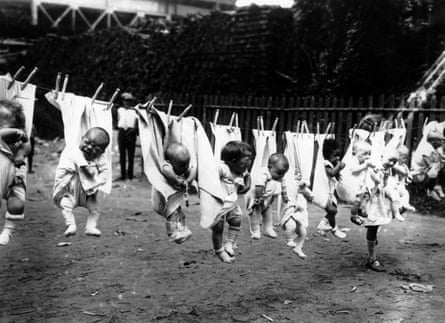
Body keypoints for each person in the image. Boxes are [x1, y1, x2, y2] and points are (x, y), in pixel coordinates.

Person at [53, 127, 110, 237]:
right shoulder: (75, 152)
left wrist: (98, 181)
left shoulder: (101, 159)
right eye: (87, 142)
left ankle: (91, 227)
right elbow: (83, 167)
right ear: (82, 138)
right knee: (65, 205)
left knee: (95, 209)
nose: (89, 147)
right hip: (70, 190)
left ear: (102, 152)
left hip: (88, 193)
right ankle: (71, 225)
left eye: (95, 148)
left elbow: (105, 173)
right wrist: (91, 171)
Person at [212, 141, 252, 263]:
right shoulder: (222, 168)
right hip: (218, 204)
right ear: (232, 161)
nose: (248, 164)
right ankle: (219, 251)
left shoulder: (242, 171)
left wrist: (246, 186)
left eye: (250, 159)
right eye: (245, 161)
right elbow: (209, 178)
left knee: (237, 220)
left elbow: (247, 179)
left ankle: (230, 244)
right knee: (218, 227)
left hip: (232, 204)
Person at [0, 99, 29, 245]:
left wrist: (20, 153)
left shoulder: (18, 139)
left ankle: (8, 230)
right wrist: (17, 132)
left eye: (4, 123)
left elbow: (27, 145)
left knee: (17, 206)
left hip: (15, 179)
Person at [159, 142, 196, 243]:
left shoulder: (185, 167)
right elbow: (165, 168)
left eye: (186, 163)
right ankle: (172, 233)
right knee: (172, 213)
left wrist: (188, 180)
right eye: (181, 165)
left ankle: (182, 229)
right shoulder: (167, 166)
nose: (185, 167)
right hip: (167, 195)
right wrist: (176, 180)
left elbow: (193, 169)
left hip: (177, 196)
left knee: (181, 214)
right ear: (170, 162)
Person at [248, 153, 289, 239]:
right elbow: (259, 187)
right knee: (255, 214)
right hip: (256, 197)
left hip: (267, 197)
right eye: (279, 173)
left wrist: (285, 196)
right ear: (270, 167)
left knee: (268, 214)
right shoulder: (263, 173)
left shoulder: (279, 175)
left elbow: (284, 185)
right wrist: (259, 199)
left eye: (283, 173)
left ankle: (268, 228)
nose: (281, 176)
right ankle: (255, 230)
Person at [316, 138, 347, 238]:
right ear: (328, 155)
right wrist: (339, 165)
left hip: (330, 192)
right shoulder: (326, 163)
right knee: (332, 210)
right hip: (323, 192)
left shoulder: (332, 163)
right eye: (335, 156)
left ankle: (325, 227)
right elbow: (331, 173)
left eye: (339, 156)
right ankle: (331, 228)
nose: (337, 158)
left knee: (333, 210)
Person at [281, 174, 313, 259]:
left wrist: (305, 190)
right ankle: (289, 240)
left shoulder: (302, 189)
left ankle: (298, 248)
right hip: (291, 208)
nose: (298, 176)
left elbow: (311, 196)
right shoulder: (288, 185)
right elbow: (285, 194)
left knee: (303, 233)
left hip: (300, 211)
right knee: (291, 225)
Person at [348, 140, 379, 225]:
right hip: (354, 186)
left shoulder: (365, 162)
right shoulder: (354, 160)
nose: (368, 157)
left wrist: (374, 169)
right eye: (364, 154)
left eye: (369, 154)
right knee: (357, 201)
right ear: (354, 153)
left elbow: (370, 170)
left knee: (367, 196)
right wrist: (366, 166)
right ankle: (353, 215)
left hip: (362, 186)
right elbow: (353, 170)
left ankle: (362, 210)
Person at [411, 128, 444, 201]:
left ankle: (436, 185)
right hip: (417, 173)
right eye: (440, 140)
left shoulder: (432, 146)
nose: (442, 142)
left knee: (438, 165)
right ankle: (431, 190)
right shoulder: (427, 149)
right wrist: (438, 163)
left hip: (423, 169)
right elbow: (430, 164)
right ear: (433, 141)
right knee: (435, 167)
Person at [117, 92, 138, 180]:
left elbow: (137, 122)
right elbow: (118, 120)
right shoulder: (119, 110)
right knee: (122, 154)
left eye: (129, 101)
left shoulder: (134, 111)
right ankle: (122, 175)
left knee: (131, 155)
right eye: (126, 100)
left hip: (131, 132)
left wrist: (134, 129)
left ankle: (130, 174)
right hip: (122, 132)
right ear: (123, 101)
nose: (127, 102)